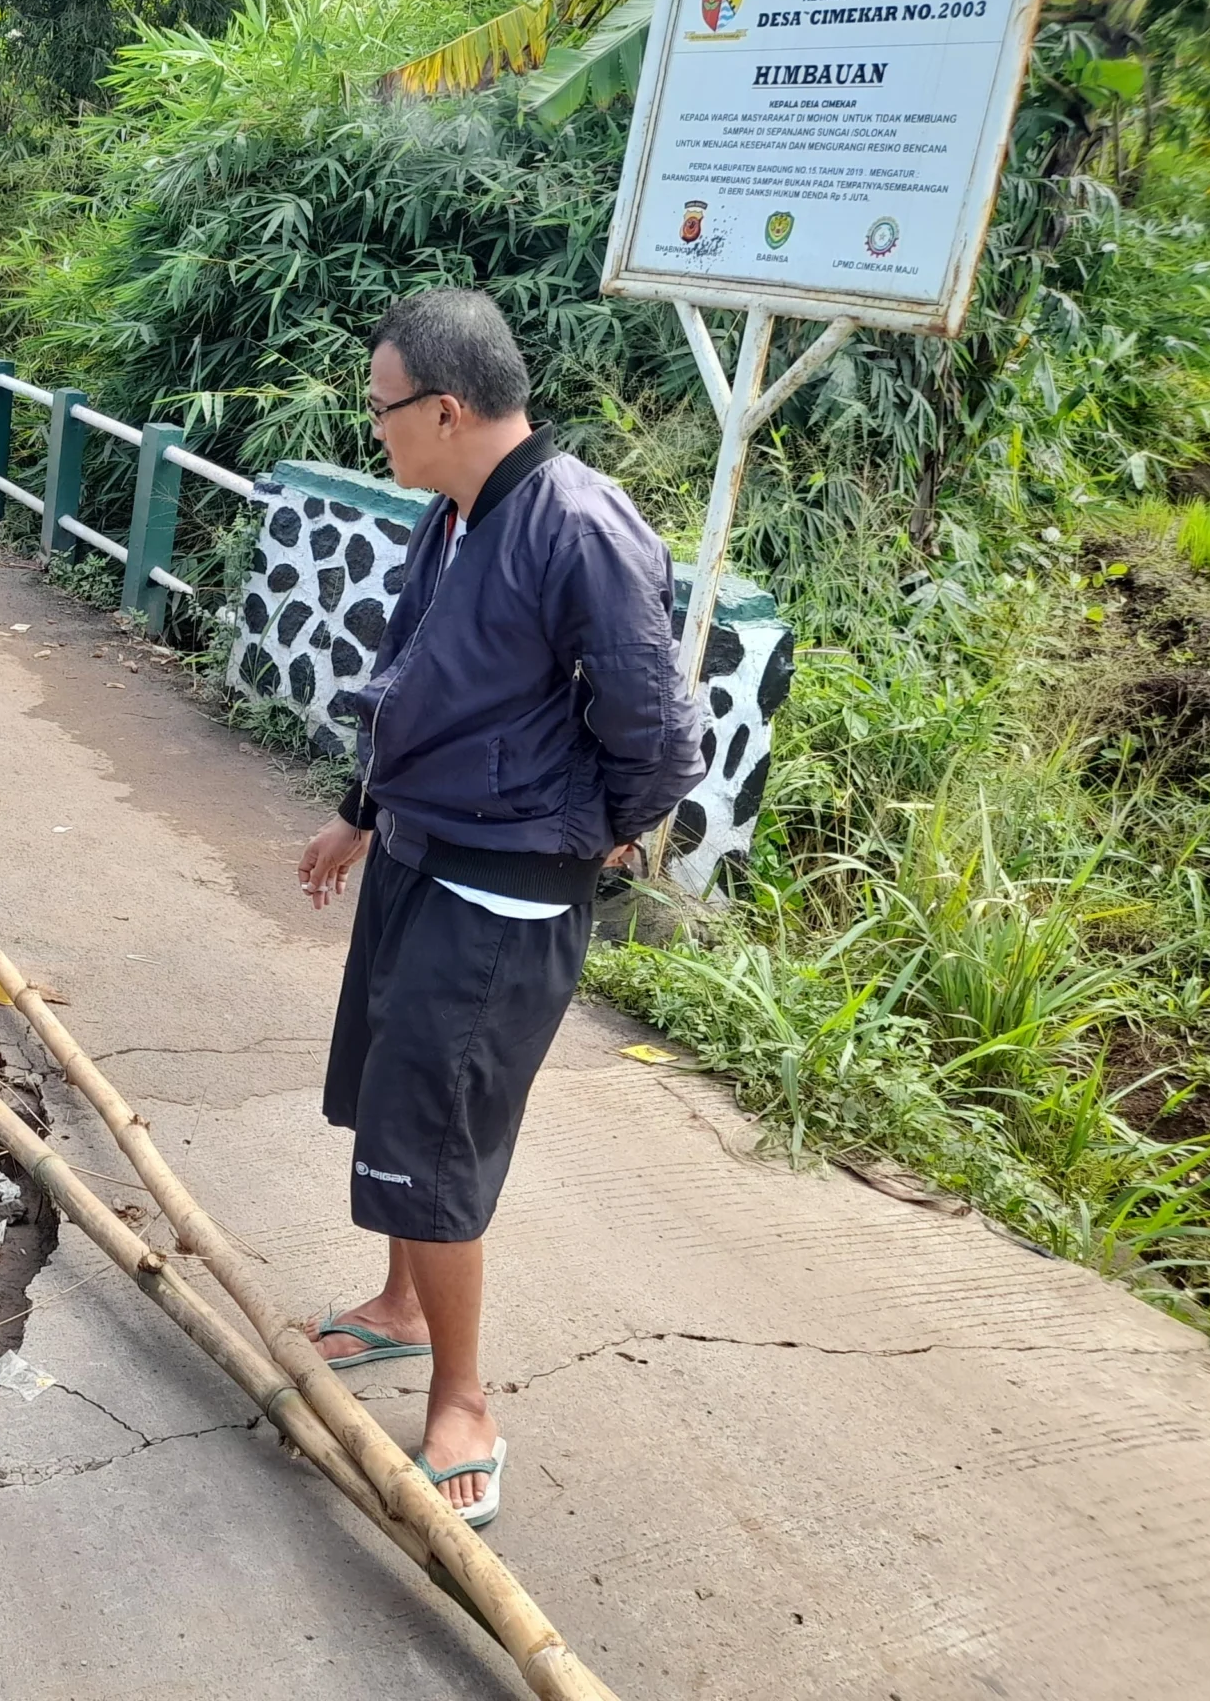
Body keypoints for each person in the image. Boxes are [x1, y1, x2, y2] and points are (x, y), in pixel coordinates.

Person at [295, 287, 706, 1530]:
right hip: (422, 853)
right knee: (391, 1097)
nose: (376, 431)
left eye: (381, 410)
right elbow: (413, 677)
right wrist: (361, 813)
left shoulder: (574, 522)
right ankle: (401, 1305)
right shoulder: (455, 512)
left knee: (441, 1130)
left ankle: (463, 1398)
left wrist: (604, 832)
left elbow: (655, 721)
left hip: (503, 886)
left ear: (445, 407)